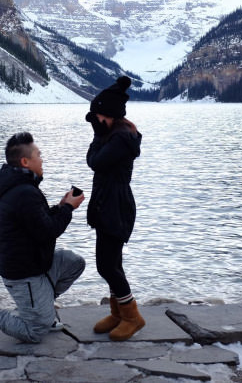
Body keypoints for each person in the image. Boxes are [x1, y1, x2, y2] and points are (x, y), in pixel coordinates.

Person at [0, 132, 86, 343]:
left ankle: (40, 310)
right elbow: (47, 232)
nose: (42, 159)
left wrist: (61, 207)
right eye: (38, 154)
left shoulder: (23, 188)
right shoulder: (24, 192)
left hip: (35, 264)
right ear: (25, 161)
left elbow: (38, 222)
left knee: (75, 263)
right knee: (34, 332)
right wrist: (68, 209)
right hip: (23, 273)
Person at [84, 76, 145, 341]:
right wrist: (99, 135)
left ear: (107, 115)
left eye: (97, 116)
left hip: (115, 206)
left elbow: (94, 162)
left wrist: (97, 137)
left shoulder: (120, 139)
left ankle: (132, 316)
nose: (95, 122)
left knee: (107, 265)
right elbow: (94, 160)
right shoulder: (115, 134)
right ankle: (119, 312)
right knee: (110, 263)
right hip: (109, 203)